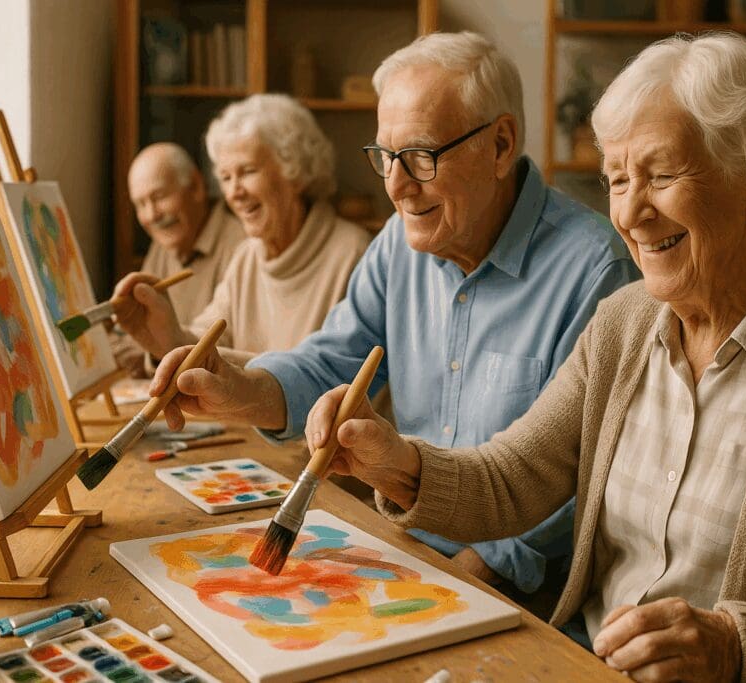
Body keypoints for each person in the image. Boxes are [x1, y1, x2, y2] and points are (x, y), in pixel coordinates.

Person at [301, 32, 746, 681]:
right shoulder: (625, 320)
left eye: (660, 175)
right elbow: (515, 477)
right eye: (616, 179)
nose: (630, 212)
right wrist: (397, 463)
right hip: (582, 662)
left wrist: (731, 645)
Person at [148, 32, 639, 595]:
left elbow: (584, 481)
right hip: (407, 552)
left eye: (421, 157)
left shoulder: (597, 270)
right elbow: (333, 362)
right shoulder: (398, 244)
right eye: (385, 156)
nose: (396, 186)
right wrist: (242, 389)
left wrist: (473, 576)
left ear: (501, 145)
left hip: (521, 591)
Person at [115, 95, 373, 365]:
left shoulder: (353, 254)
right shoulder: (247, 257)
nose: (234, 193)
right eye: (226, 178)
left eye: (248, 172)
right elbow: (206, 341)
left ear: (295, 172)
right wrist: (165, 339)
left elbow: (328, 377)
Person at [113, 142, 246, 375]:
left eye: (160, 196)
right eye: (141, 204)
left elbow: (230, 350)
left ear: (195, 187)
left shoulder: (242, 246)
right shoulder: (163, 246)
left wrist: (152, 353)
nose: (152, 215)